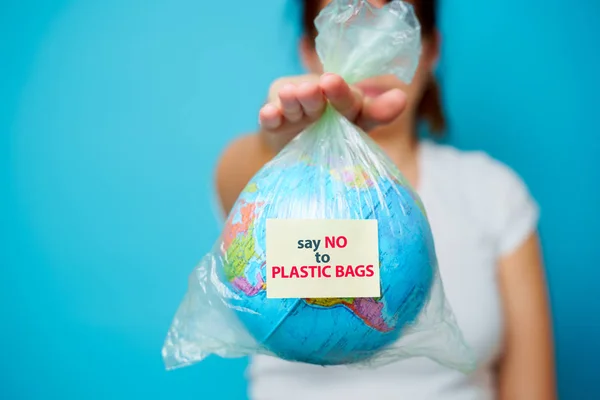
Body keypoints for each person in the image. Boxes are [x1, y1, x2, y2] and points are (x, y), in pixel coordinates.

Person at [214, 0, 557, 399]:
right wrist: (278, 140)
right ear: (310, 52)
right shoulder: (274, 184)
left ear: (430, 49)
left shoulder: (492, 191)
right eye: (349, 27)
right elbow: (237, 178)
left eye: (393, 29)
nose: (371, 51)